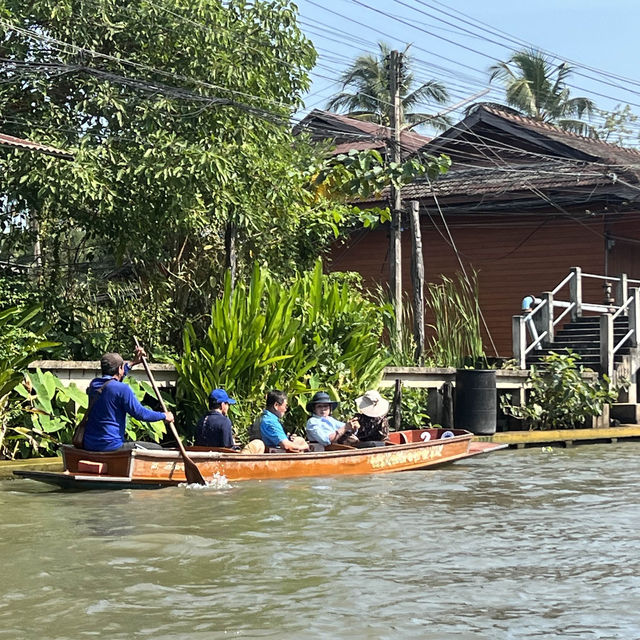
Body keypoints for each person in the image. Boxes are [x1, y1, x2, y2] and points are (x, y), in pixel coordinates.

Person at [83, 349, 174, 452]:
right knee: (157, 449)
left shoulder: (94, 385)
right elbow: (140, 413)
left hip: (89, 444)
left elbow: (113, 381)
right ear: (119, 369)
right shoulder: (123, 389)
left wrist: (133, 363)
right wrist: (164, 415)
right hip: (111, 446)